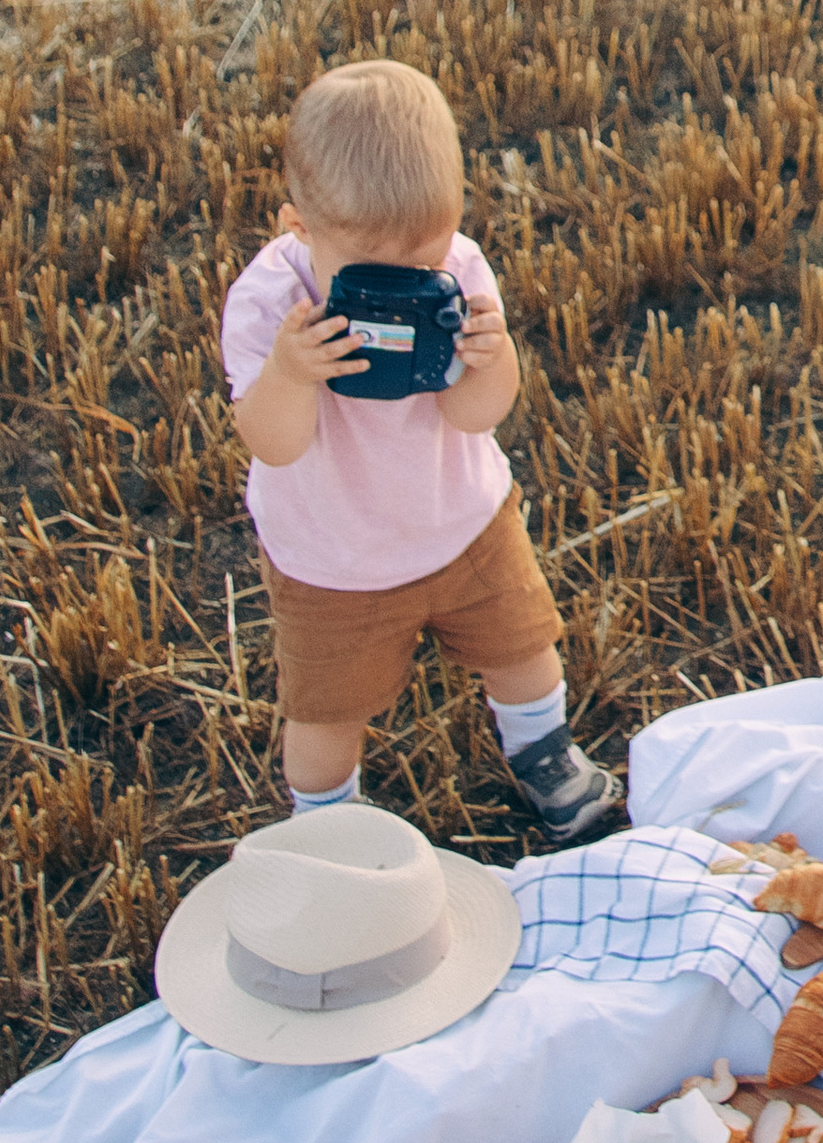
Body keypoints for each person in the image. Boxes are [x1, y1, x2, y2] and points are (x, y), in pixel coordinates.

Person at [221, 57, 621, 846]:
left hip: (464, 523)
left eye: (426, 265)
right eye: (381, 278)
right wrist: (291, 373)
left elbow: (478, 416)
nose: (414, 290)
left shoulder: (461, 270)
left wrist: (492, 355)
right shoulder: (270, 305)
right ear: (296, 227)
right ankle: (327, 825)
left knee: (525, 651)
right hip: (332, 559)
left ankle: (545, 756)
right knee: (327, 712)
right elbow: (273, 442)